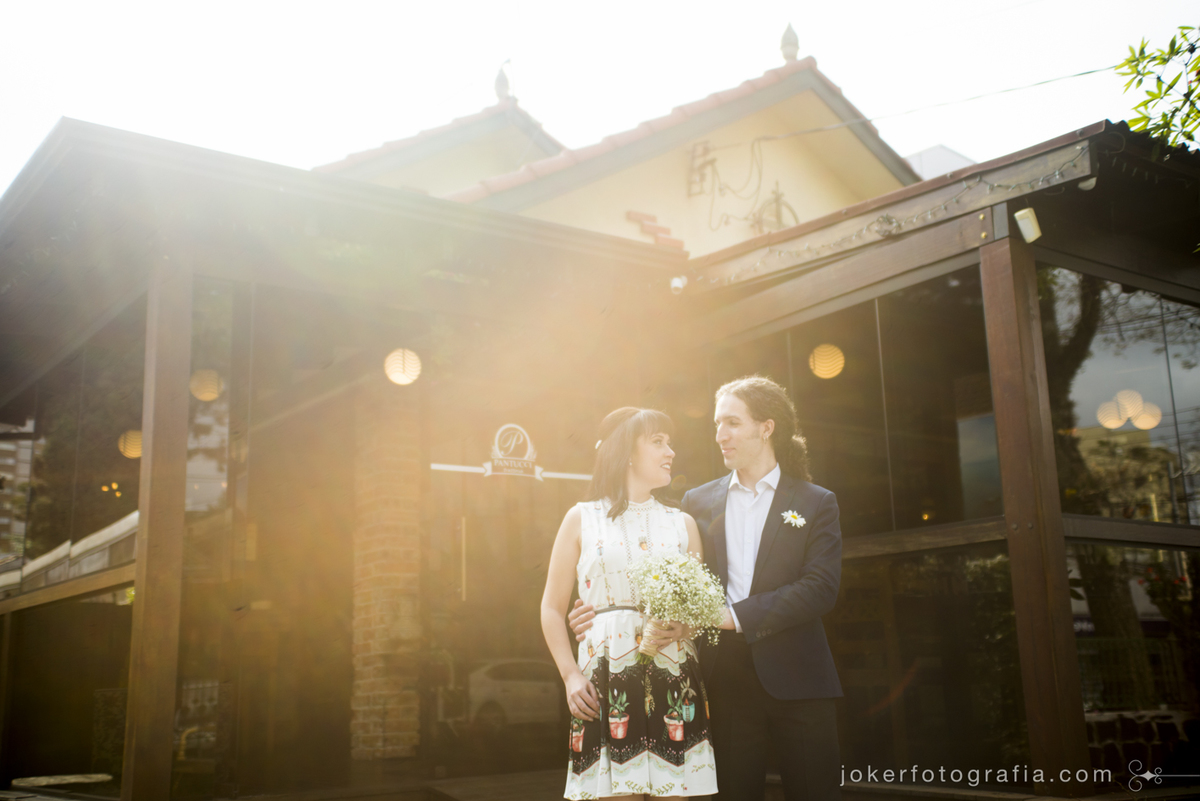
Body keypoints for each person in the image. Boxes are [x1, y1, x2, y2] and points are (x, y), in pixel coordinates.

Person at [570, 377, 842, 801]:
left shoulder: (815, 501)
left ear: (766, 427)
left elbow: (820, 588)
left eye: (732, 422)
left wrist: (728, 616)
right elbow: (666, 579)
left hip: (801, 680)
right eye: (717, 424)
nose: (720, 434)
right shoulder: (696, 503)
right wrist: (596, 608)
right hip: (723, 681)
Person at [541, 407, 719, 800]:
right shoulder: (581, 518)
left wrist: (685, 626)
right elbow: (552, 608)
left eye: (669, 442)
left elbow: (698, 612)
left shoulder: (682, 523)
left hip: (673, 674)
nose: (670, 451)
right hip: (605, 678)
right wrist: (570, 676)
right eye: (658, 442)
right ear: (627, 452)